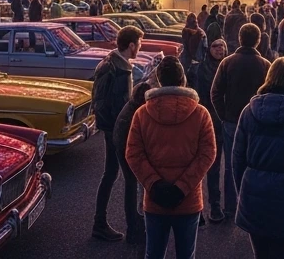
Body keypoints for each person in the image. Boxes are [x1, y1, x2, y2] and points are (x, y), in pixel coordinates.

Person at [126, 56, 217, 259]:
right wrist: (182, 186)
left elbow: (133, 153)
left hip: (155, 198)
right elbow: (207, 153)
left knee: (154, 253)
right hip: (188, 198)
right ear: (183, 79)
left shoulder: (142, 114)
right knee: (186, 254)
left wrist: (154, 184)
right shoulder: (201, 114)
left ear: (158, 80)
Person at [233, 58, 284, 259]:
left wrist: (242, 187)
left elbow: (237, 158)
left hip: (253, 187)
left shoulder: (249, 111)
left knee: (260, 253)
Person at [211, 23, 271, 220]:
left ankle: (230, 208)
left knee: (230, 165)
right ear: (258, 40)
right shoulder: (265, 65)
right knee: (256, 164)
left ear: (239, 38)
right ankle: (252, 207)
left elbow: (215, 93)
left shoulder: (227, 63)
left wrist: (223, 114)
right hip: (257, 121)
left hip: (232, 120)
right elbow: (269, 95)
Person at [92, 24, 143, 242]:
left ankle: (102, 222)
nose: (140, 47)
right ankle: (130, 227)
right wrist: (118, 132)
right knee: (129, 177)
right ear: (131, 45)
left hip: (111, 128)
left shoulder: (111, 62)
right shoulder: (118, 70)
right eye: (139, 44)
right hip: (117, 131)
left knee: (112, 174)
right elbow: (115, 106)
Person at [115, 61, 159, 244]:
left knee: (132, 185)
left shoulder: (137, 98)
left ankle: (136, 224)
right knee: (134, 184)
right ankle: (135, 227)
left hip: (121, 140)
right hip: (126, 145)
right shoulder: (141, 107)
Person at [191, 38, 228, 223]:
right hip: (206, 122)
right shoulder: (199, 69)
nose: (219, 49)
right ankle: (202, 208)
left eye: (222, 45)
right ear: (208, 48)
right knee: (203, 166)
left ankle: (218, 206)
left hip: (223, 122)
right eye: (215, 45)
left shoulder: (229, 67)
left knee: (221, 166)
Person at [181, 14, 206, 78]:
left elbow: (184, 46)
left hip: (188, 59)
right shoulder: (201, 33)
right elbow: (205, 47)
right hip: (196, 60)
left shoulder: (185, 31)